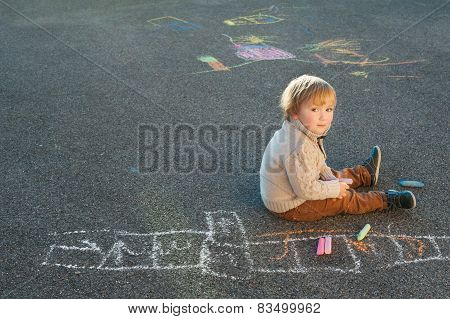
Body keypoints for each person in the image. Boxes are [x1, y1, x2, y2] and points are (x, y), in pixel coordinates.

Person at [259, 74, 416, 221]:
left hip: (289, 189)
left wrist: (330, 179)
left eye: (328, 109)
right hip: (292, 205)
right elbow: (305, 190)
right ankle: (387, 200)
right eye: (315, 109)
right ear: (294, 111)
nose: (323, 117)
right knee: (343, 199)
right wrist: (334, 189)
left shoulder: (297, 129)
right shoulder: (298, 147)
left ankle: (365, 175)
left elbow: (317, 163)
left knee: (333, 176)